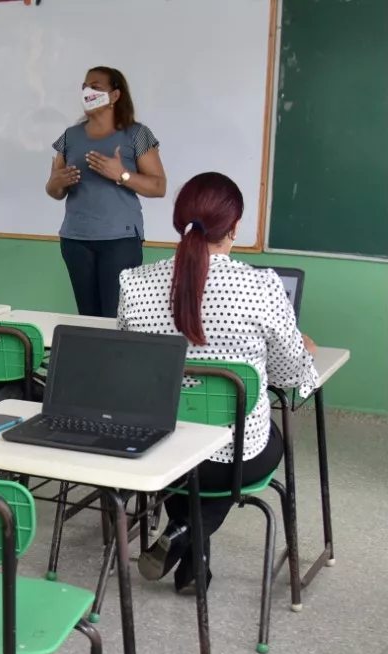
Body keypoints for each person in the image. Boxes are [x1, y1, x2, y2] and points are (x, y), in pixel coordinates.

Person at [119, 172, 318, 593]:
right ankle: (184, 535)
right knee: (268, 438)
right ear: (235, 227)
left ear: (179, 221)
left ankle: (187, 548)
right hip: (232, 460)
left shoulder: (133, 284)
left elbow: (130, 366)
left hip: (158, 453)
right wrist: (297, 347)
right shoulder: (260, 286)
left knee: (186, 448)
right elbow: (288, 377)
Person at [47, 67, 167, 318]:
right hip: (76, 239)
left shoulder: (137, 134)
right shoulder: (70, 136)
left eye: (96, 87)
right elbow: (54, 191)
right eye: (84, 87)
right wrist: (57, 182)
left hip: (120, 240)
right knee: (88, 317)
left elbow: (159, 186)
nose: (87, 92)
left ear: (115, 95)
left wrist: (121, 175)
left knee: (116, 316)